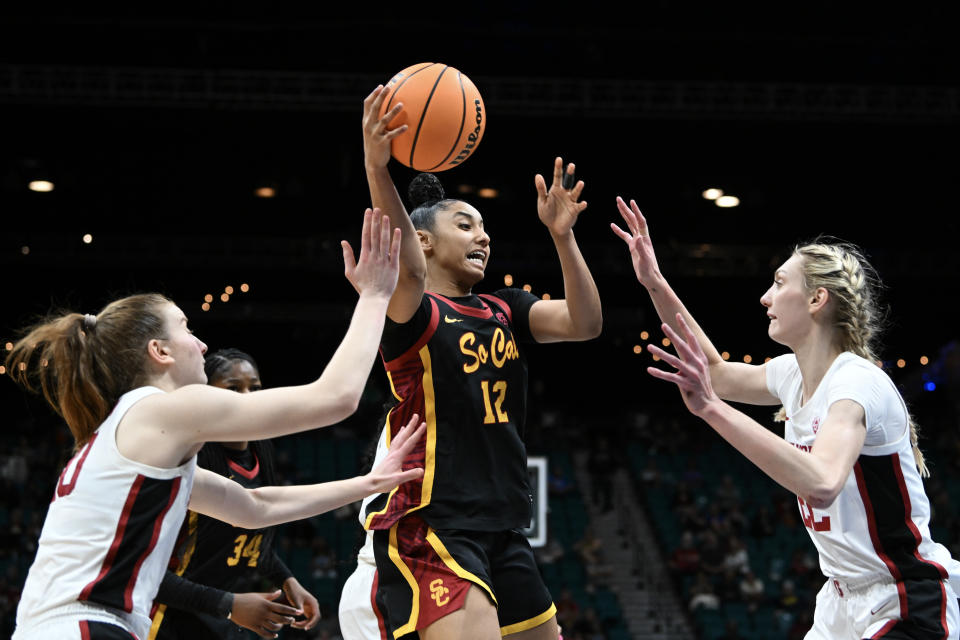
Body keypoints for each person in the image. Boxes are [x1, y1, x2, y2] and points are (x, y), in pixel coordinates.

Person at [5, 210, 426, 640]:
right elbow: (336, 398)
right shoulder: (162, 409)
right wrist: (375, 296)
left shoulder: (139, 430)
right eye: (187, 328)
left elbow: (255, 508)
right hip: (85, 625)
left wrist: (370, 483)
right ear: (160, 352)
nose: (202, 343)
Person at [612, 197, 960, 639]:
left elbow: (821, 482)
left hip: (904, 599)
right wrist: (654, 282)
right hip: (840, 601)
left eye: (779, 283)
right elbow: (716, 374)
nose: (765, 297)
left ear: (817, 299)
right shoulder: (791, 374)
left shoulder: (856, 384)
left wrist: (711, 410)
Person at [359, 85, 603, 640]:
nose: (483, 236)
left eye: (485, 227)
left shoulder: (504, 307)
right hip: (435, 521)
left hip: (503, 522)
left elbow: (585, 324)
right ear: (422, 241)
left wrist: (562, 239)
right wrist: (379, 169)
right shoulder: (412, 311)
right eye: (465, 225)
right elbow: (407, 270)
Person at [148, 348, 320, 639]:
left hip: (217, 614)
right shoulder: (190, 458)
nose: (248, 398)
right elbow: (146, 572)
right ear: (206, 395)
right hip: (162, 616)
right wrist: (229, 605)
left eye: (254, 388)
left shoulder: (261, 453)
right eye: (234, 388)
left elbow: (246, 541)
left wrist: (288, 580)